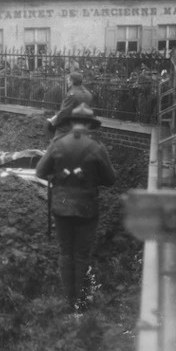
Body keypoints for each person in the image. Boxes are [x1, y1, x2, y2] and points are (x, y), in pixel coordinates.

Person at [36, 103, 116, 312]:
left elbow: (39, 172)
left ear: (70, 123)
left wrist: (59, 175)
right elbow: (111, 179)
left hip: (61, 206)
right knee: (81, 254)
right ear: (90, 125)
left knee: (65, 252)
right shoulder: (97, 148)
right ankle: (79, 304)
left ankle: (67, 300)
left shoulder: (58, 144)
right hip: (86, 208)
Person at [46, 72, 93, 139]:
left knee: (57, 143)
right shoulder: (88, 94)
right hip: (83, 127)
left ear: (72, 81)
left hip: (67, 128)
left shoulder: (72, 94)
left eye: (68, 80)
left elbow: (65, 112)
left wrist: (54, 120)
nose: (67, 82)